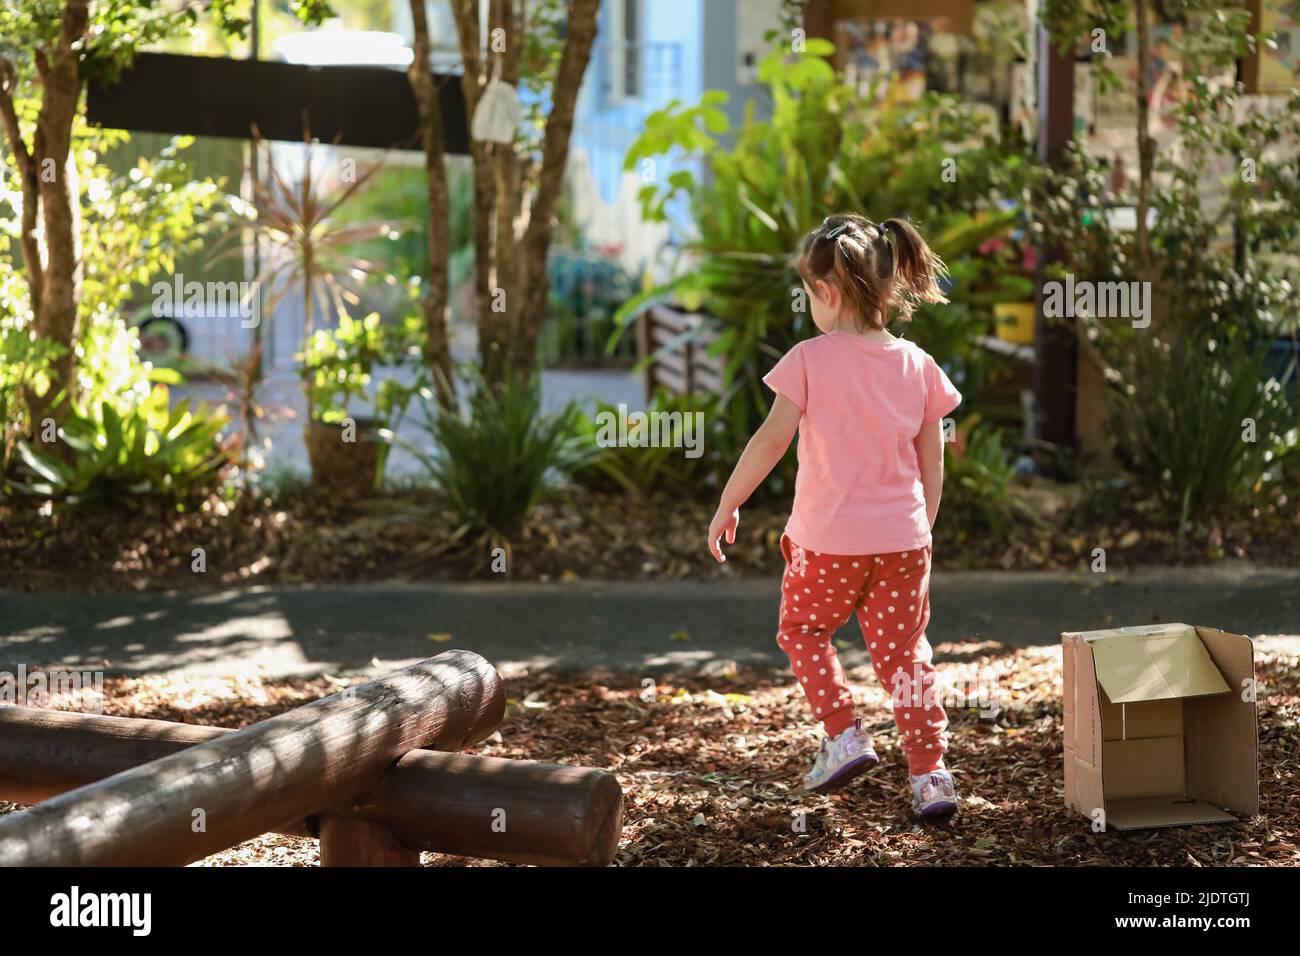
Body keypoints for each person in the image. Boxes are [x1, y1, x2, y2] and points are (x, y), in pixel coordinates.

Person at [706, 213, 963, 819]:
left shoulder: (808, 361)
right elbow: (934, 461)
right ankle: (931, 776)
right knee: (906, 657)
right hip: (903, 540)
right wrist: (921, 525)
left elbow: (770, 441)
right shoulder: (918, 365)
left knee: (803, 632)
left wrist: (729, 502)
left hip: (826, 544)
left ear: (827, 291)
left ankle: (844, 732)